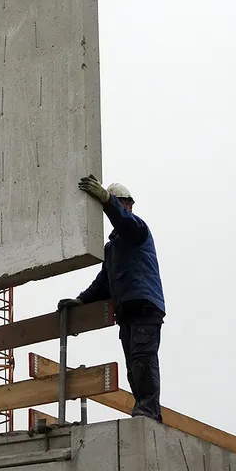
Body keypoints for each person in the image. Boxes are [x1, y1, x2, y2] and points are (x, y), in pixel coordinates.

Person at [58, 174, 166, 422]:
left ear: (127, 205)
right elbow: (104, 282)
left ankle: (149, 412)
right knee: (133, 367)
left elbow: (124, 221)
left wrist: (107, 200)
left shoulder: (137, 230)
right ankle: (145, 410)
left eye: (120, 204)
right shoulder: (113, 247)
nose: (120, 209)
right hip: (127, 311)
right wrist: (81, 300)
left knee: (143, 361)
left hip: (144, 305)